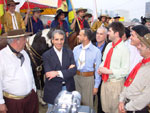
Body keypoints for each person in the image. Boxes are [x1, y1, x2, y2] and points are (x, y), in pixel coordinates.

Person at [0, 29, 38, 113]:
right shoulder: (2, 56)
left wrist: (34, 89)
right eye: (24, 39)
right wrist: (1, 102)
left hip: (30, 99)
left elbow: (30, 72)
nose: (26, 41)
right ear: (16, 41)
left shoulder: (24, 53)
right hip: (13, 102)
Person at [98, 22, 130, 113]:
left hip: (116, 84)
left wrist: (109, 71)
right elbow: (104, 61)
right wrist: (100, 68)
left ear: (116, 34)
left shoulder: (124, 49)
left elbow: (125, 70)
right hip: (105, 83)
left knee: (116, 111)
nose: (108, 33)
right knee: (105, 109)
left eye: (110, 31)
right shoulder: (108, 46)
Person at [119, 25, 150, 113]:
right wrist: (122, 100)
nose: (139, 47)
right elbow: (129, 82)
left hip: (137, 108)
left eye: (142, 46)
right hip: (128, 103)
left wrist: (127, 107)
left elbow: (146, 96)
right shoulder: (141, 63)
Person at [42, 30, 77, 106]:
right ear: (52, 40)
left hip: (68, 88)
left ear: (64, 40)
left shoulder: (69, 52)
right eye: (57, 39)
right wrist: (67, 71)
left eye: (61, 39)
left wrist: (57, 73)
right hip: (53, 90)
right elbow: (49, 74)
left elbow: (74, 71)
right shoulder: (46, 55)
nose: (59, 42)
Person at [73, 28, 101, 109]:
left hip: (88, 79)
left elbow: (97, 71)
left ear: (85, 37)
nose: (78, 36)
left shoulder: (96, 51)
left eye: (80, 35)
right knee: (76, 102)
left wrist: (96, 86)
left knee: (87, 105)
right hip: (76, 78)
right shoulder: (75, 49)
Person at [94, 27, 108, 113]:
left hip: (103, 78)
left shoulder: (109, 47)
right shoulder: (91, 45)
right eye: (97, 33)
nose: (98, 36)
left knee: (101, 101)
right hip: (91, 77)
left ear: (106, 36)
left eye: (101, 34)